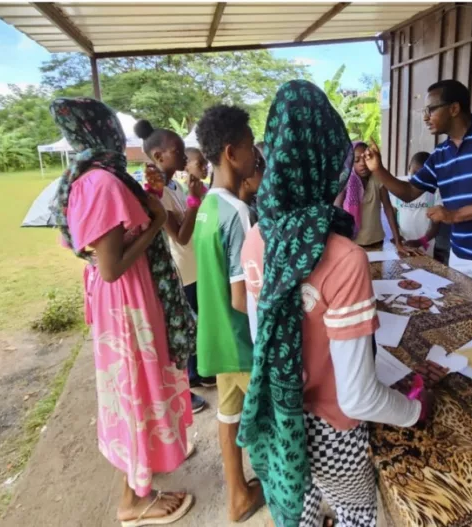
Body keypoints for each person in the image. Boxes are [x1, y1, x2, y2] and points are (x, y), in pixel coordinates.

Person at [238, 80, 432, 527]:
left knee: (302, 503)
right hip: (332, 428)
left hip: (281, 419)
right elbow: (359, 397)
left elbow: (261, 344)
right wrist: (415, 410)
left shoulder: (255, 239)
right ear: (328, 161)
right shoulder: (344, 257)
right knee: (356, 511)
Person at [51, 98, 195, 525]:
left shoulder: (93, 176)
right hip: (127, 301)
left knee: (140, 390)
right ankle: (132, 500)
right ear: (101, 132)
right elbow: (111, 267)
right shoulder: (102, 182)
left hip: (125, 299)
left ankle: (146, 472)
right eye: (112, 126)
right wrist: (153, 222)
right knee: (135, 391)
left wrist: (147, 200)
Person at [366, 80, 472, 303]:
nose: (426, 117)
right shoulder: (441, 154)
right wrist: (378, 169)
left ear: (454, 108)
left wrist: (454, 215)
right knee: (463, 319)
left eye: (431, 109)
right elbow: (408, 192)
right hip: (461, 254)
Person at [192, 104, 265, 522]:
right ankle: (288, 503)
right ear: (231, 151)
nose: (256, 154)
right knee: (273, 425)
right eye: (251, 145)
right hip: (242, 342)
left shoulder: (206, 205)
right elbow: (243, 299)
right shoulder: (237, 212)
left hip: (215, 338)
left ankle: (238, 494)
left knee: (229, 413)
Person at [134, 120, 216, 413]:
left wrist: (193, 200)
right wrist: (194, 203)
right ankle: (190, 381)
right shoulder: (153, 192)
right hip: (181, 270)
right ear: (158, 157)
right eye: (178, 151)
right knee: (185, 325)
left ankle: (200, 372)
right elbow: (180, 236)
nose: (184, 157)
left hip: (194, 265)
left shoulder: (174, 185)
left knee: (196, 320)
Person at [335, 141, 404, 252]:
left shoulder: (378, 178)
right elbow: (336, 208)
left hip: (376, 241)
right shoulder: (346, 180)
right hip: (353, 244)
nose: (362, 163)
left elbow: (388, 209)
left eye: (366, 158)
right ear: (350, 162)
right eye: (356, 160)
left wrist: (398, 241)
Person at [390, 152, 443, 258]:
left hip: (425, 244)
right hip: (403, 244)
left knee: (424, 269)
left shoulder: (435, 191)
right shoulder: (399, 188)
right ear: (409, 169)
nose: (418, 178)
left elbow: (435, 228)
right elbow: (393, 213)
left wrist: (419, 242)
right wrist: (396, 236)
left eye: (423, 174)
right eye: (414, 172)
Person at [238, 146, 264, 223]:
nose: (266, 169)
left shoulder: (256, 204)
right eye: (259, 164)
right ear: (244, 179)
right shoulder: (243, 215)